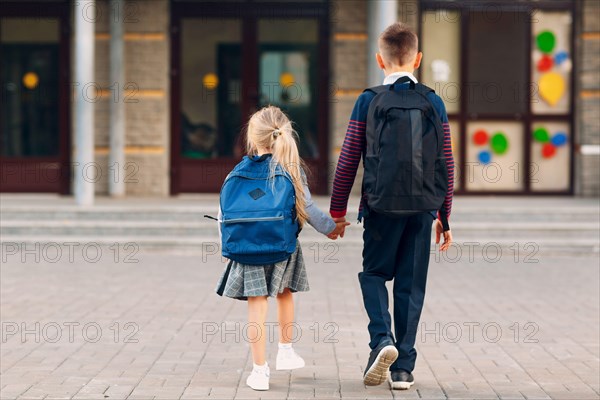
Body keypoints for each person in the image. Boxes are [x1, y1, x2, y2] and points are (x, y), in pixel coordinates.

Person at [329, 23, 455, 390]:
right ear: (418, 59)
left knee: (373, 275)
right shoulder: (433, 100)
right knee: (410, 287)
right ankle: (403, 370)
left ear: (378, 60)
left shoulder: (368, 100)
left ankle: (381, 339)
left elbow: (349, 158)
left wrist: (338, 212)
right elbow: (446, 161)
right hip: (422, 208)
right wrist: (444, 216)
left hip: (381, 207)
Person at [215, 106, 349, 391]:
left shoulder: (236, 173)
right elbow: (309, 209)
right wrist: (331, 229)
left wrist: (227, 246)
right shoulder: (290, 168)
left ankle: (259, 371)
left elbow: (223, 214)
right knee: (285, 293)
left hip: (247, 248)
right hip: (282, 246)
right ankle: (286, 350)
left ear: (252, 138)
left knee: (257, 305)